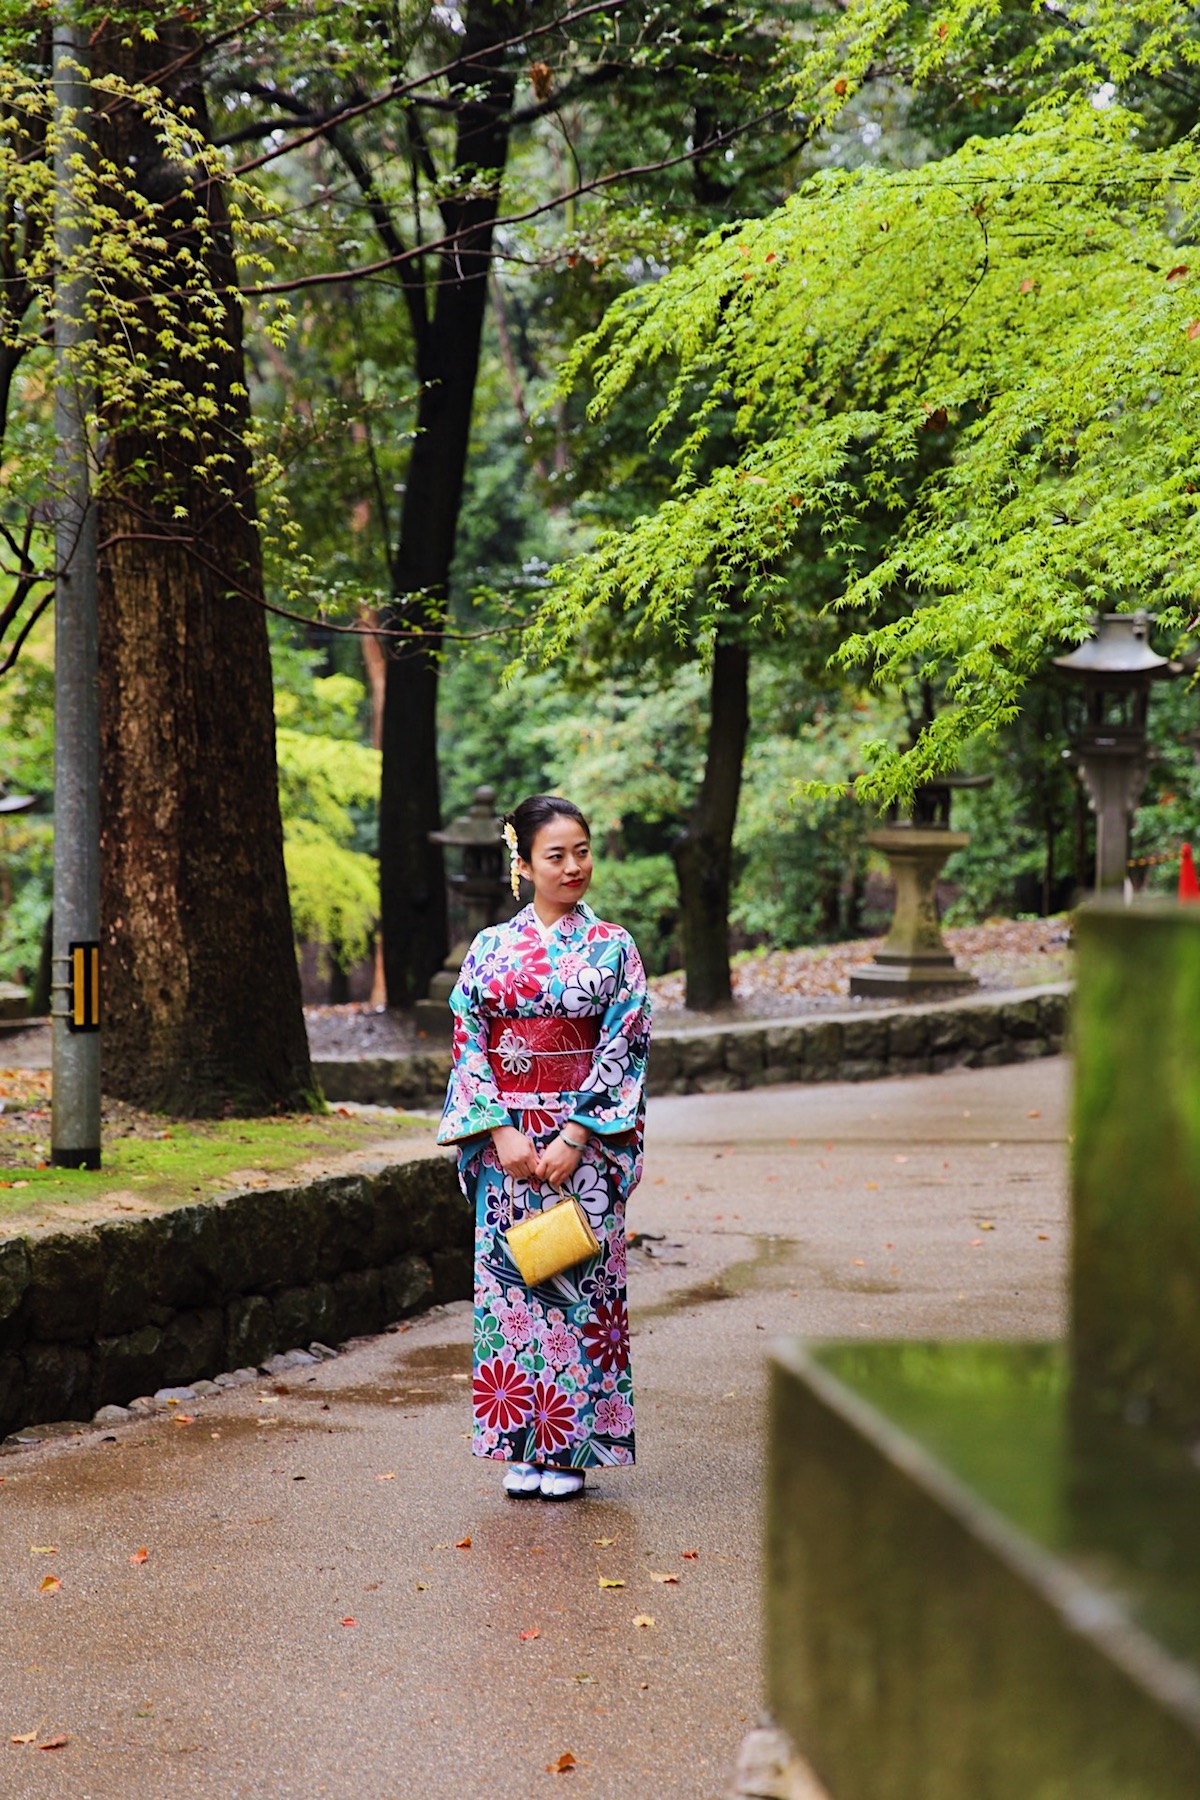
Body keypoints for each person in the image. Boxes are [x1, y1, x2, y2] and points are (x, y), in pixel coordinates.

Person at [436, 794, 651, 1501]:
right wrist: (498, 1130)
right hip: (506, 1144)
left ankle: (569, 1448)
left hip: (581, 1146)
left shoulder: (614, 947)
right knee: (510, 1291)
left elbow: (625, 1042)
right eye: (555, 855)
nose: (573, 866)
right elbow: (470, 1039)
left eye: (582, 851)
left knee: (576, 1289)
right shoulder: (492, 948)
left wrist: (578, 1133)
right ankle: (520, 1442)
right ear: (522, 864)